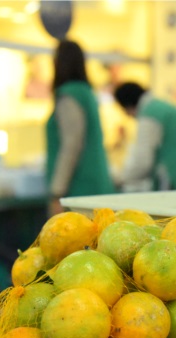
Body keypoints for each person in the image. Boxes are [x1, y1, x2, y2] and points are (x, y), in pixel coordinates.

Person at [46, 40, 115, 216]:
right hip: (97, 184)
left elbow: (72, 144)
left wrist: (57, 192)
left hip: (78, 190)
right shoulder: (87, 93)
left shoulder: (69, 95)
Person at [113, 82, 176, 192]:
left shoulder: (150, 114)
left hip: (173, 178)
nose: (127, 115)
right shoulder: (162, 107)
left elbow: (143, 160)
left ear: (127, 105)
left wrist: (121, 179)